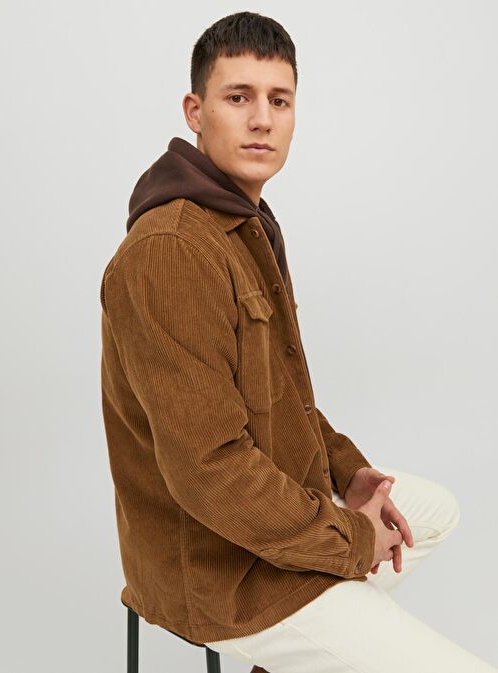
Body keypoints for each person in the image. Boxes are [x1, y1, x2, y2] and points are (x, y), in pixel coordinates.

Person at [99, 11, 497, 672]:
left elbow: (281, 396)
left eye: (278, 100)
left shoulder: (240, 223)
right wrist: (350, 539)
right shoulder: (172, 250)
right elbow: (210, 469)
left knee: (432, 510)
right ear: (195, 112)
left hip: (258, 521)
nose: (261, 120)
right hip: (220, 575)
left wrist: (348, 472)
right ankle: (319, 629)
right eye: (238, 98)